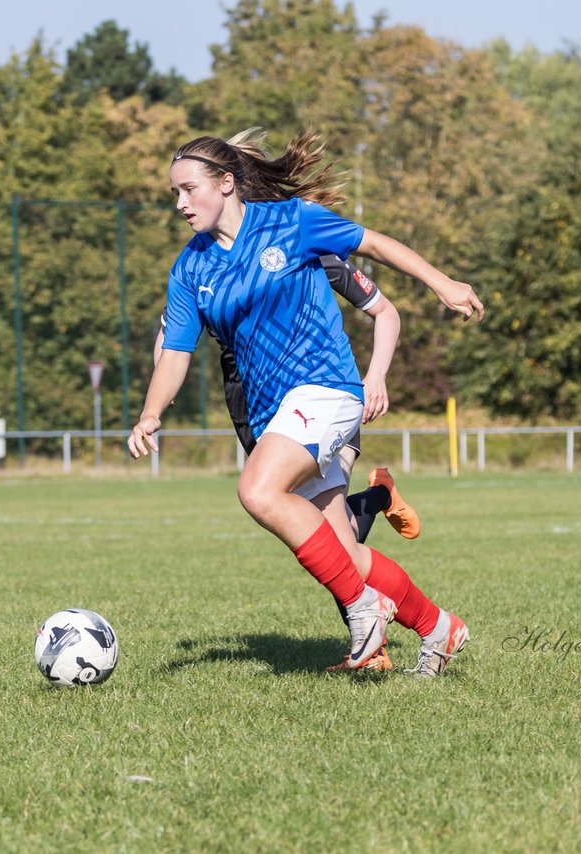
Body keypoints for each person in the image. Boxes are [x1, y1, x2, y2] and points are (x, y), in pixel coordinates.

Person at [130, 128, 482, 676]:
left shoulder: (292, 221)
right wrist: (150, 414)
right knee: (347, 555)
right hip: (276, 412)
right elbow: (174, 354)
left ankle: (366, 613)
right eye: (174, 192)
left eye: (187, 189)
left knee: (257, 490)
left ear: (226, 183)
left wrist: (442, 283)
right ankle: (441, 628)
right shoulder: (190, 270)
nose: (179, 203)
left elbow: (374, 244)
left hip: (327, 388)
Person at [153, 254, 421, 671]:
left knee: (325, 534)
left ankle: (372, 644)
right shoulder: (205, 263)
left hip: (323, 394)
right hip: (252, 402)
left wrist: (376, 377)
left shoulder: (304, 245)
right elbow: (171, 341)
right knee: (332, 532)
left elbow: (385, 311)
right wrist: (157, 401)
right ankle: (376, 498)